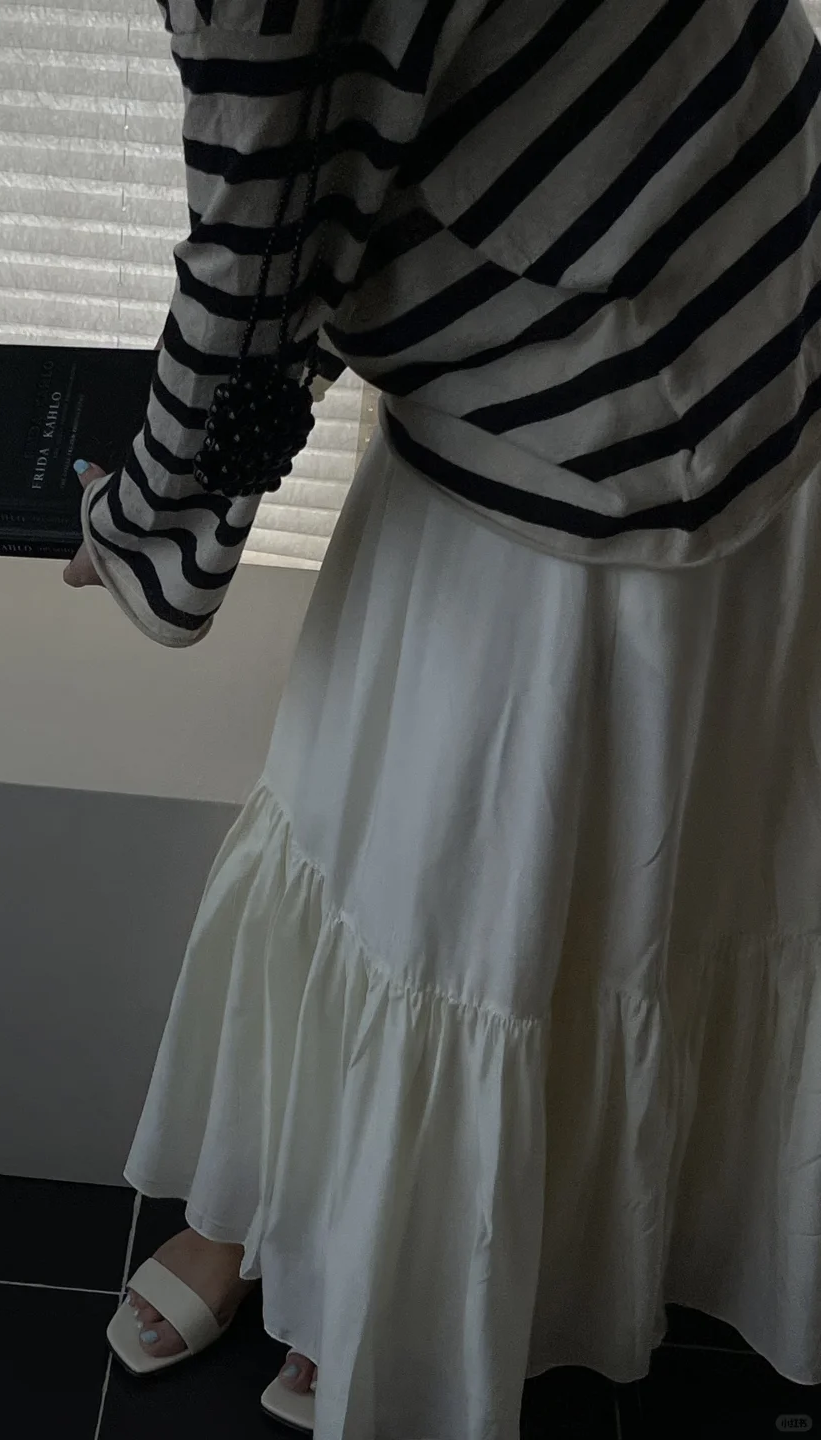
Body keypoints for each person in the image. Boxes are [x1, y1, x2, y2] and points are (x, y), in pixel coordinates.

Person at [64, 0, 821, 1434]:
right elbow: (342, 150)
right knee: (530, 862)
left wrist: (141, 519)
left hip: (614, 373)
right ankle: (321, 1226)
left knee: (447, 885)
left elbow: (262, 249)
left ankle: (376, 1275)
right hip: (737, 234)